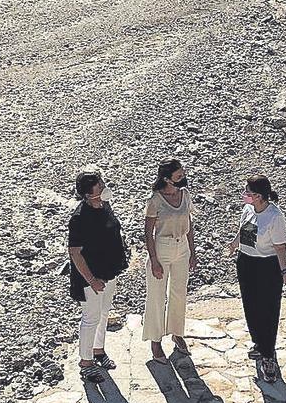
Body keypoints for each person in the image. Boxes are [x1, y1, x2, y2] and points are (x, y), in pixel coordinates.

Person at [226, 175, 286, 383]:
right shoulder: (249, 209)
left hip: (267, 266)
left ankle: (268, 354)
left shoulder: (275, 216)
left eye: (248, 193)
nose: (244, 196)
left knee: (268, 309)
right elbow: (245, 231)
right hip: (247, 262)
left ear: (258, 196)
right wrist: (234, 244)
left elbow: (280, 247)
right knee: (251, 305)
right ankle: (259, 342)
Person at [68, 169, 130, 384]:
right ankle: (85, 364)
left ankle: (98, 351)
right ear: (87, 194)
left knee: (103, 314)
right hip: (91, 277)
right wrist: (91, 279)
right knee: (90, 318)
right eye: (100, 187)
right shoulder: (79, 218)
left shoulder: (105, 206)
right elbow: (75, 252)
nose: (104, 189)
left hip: (109, 271)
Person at [143, 158, 198, 363]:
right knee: (157, 296)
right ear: (167, 179)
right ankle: (155, 341)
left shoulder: (184, 195)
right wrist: (154, 260)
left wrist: (193, 251)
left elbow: (189, 223)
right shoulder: (155, 200)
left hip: (181, 246)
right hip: (162, 247)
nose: (183, 179)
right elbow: (148, 233)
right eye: (178, 176)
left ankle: (177, 332)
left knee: (179, 293)